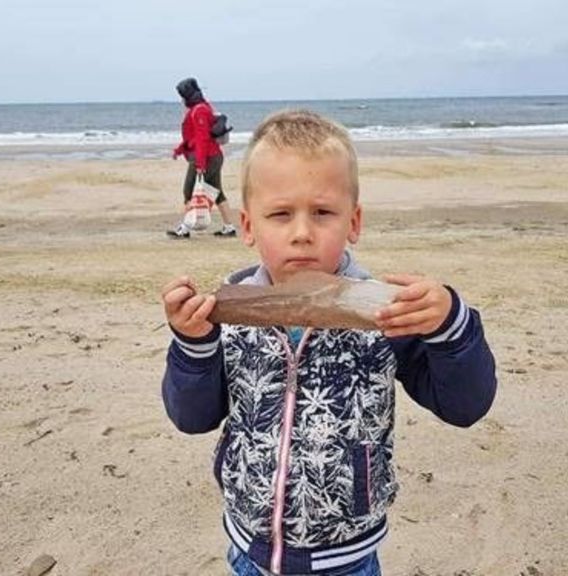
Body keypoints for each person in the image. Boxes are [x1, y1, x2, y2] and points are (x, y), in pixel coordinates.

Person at [161, 110, 497, 575]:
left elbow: (466, 405)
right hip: (248, 550)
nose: (302, 233)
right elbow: (192, 417)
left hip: (347, 558)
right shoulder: (230, 315)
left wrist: (449, 326)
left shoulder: (383, 314)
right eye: (280, 214)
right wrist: (193, 345)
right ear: (248, 226)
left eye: (322, 212)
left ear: (353, 222)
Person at [168, 77, 237, 238]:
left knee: (189, 190)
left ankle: (184, 229)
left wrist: (200, 163)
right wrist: (179, 150)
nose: (181, 99)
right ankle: (229, 227)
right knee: (217, 192)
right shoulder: (203, 108)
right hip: (213, 156)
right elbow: (193, 138)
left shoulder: (199, 111)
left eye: (182, 95)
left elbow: (202, 139)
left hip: (207, 158)